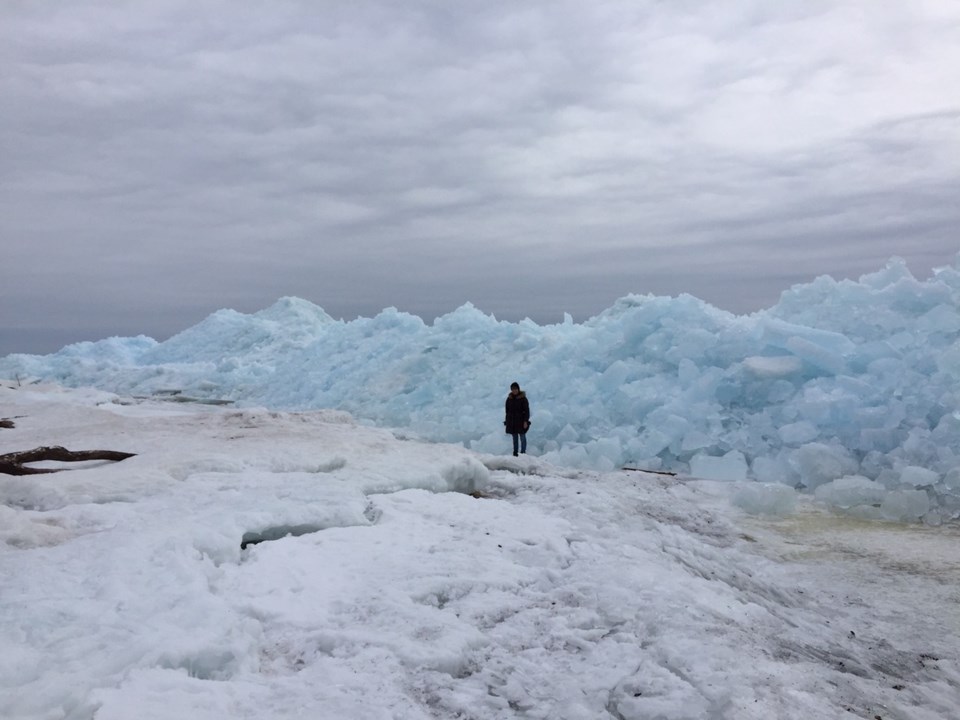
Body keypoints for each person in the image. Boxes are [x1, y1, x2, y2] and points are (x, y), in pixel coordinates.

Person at [504, 381, 530, 456]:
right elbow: (507, 411)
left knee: (522, 437)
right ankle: (515, 453)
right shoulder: (509, 399)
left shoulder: (523, 399)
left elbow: (526, 410)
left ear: (518, 389)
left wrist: (525, 421)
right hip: (512, 421)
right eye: (513, 389)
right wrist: (507, 421)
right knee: (515, 438)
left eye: (515, 389)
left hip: (521, 421)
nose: (514, 390)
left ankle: (523, 452)